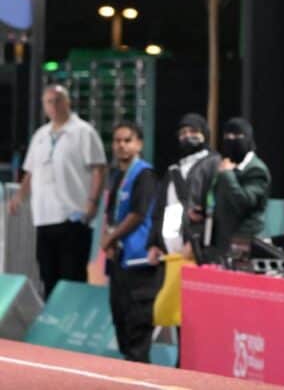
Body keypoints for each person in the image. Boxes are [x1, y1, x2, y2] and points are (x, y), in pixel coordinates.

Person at [7, 85, 106, 299]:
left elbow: (99, 168)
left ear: (67, 102)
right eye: (48, 101)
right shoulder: (40, 135)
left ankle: (73, 318)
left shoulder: (83, 131)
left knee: (72, 278)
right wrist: (19, 197)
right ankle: (51, 317)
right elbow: (31, 171)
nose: (53, 105)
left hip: (73, 216)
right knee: (48, 276)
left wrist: (92, 202)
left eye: (57, 100)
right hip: (44, 217)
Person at [102, 121, 160, 362]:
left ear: (139, 144)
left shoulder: (145, 175)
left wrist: (111, 237)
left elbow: (138, 214)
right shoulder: (117, 175)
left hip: (139, 260)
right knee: (121, 322)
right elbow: (111, 212)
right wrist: (110, 240)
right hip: (120, 259)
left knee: (137, 329)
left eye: (127, 140)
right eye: (117, 141)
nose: (121, 146)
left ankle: (139, 376)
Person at [147, 113, 221, 264]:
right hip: (169, 253)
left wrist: (196, 242)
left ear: (204, 133)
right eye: (183, 132)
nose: (187, 136)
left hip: (197, 252)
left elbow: (216, 210)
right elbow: (160, 209)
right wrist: (154, 243)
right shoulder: (173, 169)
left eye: (193, 131)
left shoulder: (214, 164)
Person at [208, 118, 271, 257]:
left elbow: (244, 201)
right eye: (227, 136)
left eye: (237, 135)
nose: (231, 139)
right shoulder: (227, 164)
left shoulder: (256, 169)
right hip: (223, 241)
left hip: (244, 242)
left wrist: (227, 175)